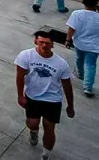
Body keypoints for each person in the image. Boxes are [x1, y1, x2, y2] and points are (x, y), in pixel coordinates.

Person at [15, 31, 75, 159]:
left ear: (53, 45)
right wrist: (20, 96)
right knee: (32, 123)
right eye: (41, 42)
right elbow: (20, 77)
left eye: (47, 43)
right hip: (32, 97)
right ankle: (33, 131)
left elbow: (67, 86)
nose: (44, 45)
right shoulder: (25, 56)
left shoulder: (61, 64)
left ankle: (45, 154)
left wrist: (70, 105)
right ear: (36, 41)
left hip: (52, 100)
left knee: (49, 127)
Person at [65, 0, 99, 97]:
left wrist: (68, 40)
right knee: (90, 65)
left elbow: (71, 29)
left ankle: (81, 74)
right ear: (96, 3)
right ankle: (88, 88)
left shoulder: (76, 14)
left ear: (83, 2)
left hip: (79, 43)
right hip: (94, 46)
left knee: (79, 59)